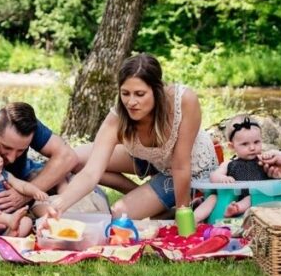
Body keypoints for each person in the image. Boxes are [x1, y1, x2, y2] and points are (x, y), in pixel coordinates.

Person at [44, 53, 218, 220]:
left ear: (156, 90)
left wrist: (184, 216)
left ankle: (159, 204)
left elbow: (181, 166)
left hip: (188, 167)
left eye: (140, 94)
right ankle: (151, 200)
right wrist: (59, 206)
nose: (131, 102)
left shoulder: (183, 101)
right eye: (125, 93)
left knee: (119, 213)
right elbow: (91, 172)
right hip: (151, 160)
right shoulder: (116, 119)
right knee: (74, 158)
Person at [0, 102, 81, 234]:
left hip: (32, 180)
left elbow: (68, 156)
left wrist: (24, 195)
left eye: (21, 151)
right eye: (6, 148)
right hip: (4, 213)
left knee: (82, 192)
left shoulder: (22, 122)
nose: (12, 158)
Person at [193, 115, 272, 222]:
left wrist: (269, 159)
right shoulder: (230, 164)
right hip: (229, 197)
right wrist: (222, 178)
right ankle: (192, 220)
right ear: (232, 146)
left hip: (254, 200)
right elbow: (213, 175)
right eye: (245, 144)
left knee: (251, 197)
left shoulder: (262, 160)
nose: (252, 147)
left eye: (256, 142)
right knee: (212, 198)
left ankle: (236, 208)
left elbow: (276, 170)